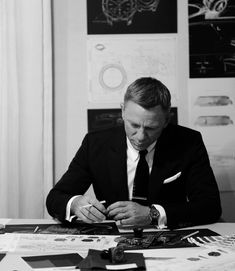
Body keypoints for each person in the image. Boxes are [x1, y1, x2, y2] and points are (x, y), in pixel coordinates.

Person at [46, 77, 222, 229]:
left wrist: (153, 214)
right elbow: (55, 198)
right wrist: (75, 204)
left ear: (166, 119)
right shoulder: (96, 143)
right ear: (123, 111)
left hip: (168, 236)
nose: (141, 136)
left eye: (151, 128)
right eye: (134, 125)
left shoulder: (189, 142)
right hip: (114, 240)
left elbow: (210, 207)